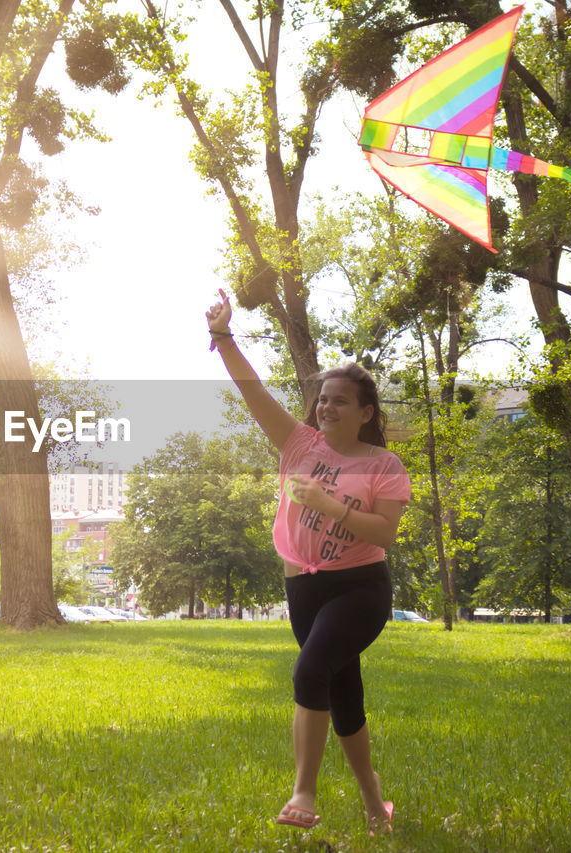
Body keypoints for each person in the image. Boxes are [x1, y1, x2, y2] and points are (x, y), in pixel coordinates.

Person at [206, 289, 411, 835]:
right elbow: (253, 394)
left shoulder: (383, 464)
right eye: (323, 399)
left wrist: (328, 503)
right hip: (303, 589)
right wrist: (224, 338)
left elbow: (384, 532)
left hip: (360, 589)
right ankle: (375, 807)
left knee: (310, 669)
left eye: (340, 401)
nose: (326, 407)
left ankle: (303, 791)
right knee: (344, 697)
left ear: (365, 412)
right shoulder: (298, 445)